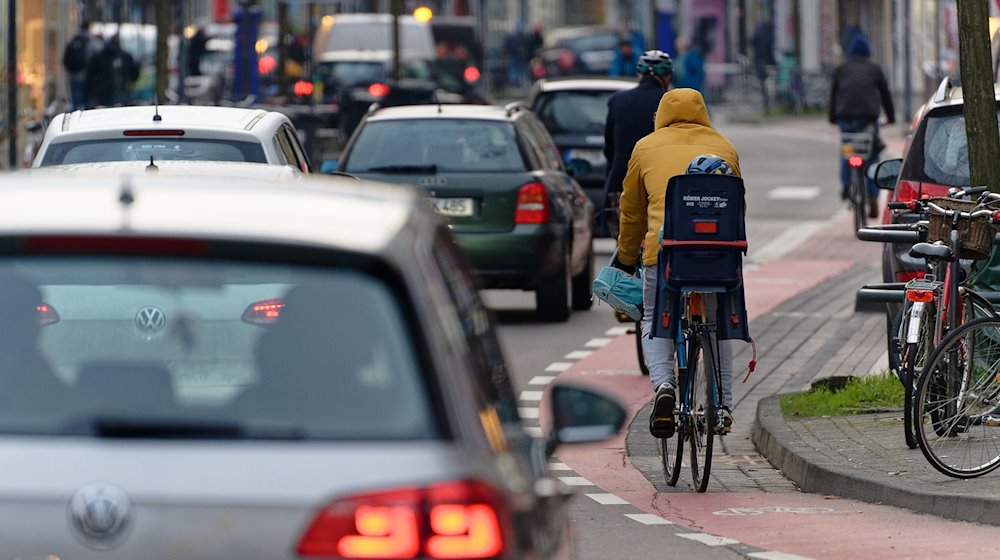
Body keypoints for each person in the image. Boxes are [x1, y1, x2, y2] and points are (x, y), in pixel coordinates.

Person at [612, 88, 741, 438]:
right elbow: (737, 206)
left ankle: (664, 386)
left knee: (654, 318)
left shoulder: (645, 147)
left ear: (661, 114)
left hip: (665, 254)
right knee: (716, 327)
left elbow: (633, 210)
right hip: (719, 256)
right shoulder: (724, 146)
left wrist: (625, 257)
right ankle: (723, 405)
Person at [600, 50, 673, 237]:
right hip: (658, 183)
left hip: (622, 181)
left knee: (624, 242)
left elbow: (609, 149)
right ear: (667, 77)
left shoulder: (618, 101)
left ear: (639, 75)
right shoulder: (670, 102)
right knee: (659, 236)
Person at [829, 33, 895, 218]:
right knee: (872, 156)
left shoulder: (841, 69)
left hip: (846, 120)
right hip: (868, 120)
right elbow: (885, 95)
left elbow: (834, 96)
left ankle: (846, 185)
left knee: (847, 151)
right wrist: (891, 117)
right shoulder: (875, 69)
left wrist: (833, 118)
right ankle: (873, 195)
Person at [85, 34, 140, 107]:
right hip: (122, 91)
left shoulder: (98, 57)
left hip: (102, 94)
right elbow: (134, 75)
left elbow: (90, 75)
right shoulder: (126, 56)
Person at [62, 20, 102, 111]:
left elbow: (65, 60)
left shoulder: (74, 41)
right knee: (88, 105)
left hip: (74, 76)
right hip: (88, 78)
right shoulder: (91, 42)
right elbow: (99, 58)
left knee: (75, 104)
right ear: (89, 28)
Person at [751, 19, 776, 112]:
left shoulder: (758, 31)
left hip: (759, 60)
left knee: (762, 83)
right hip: (765, 61)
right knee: (767, 83)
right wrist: (772, 61)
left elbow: (752, 42)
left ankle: (766, 102)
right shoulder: (768, 34)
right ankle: (767, 103)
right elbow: (769, 49)